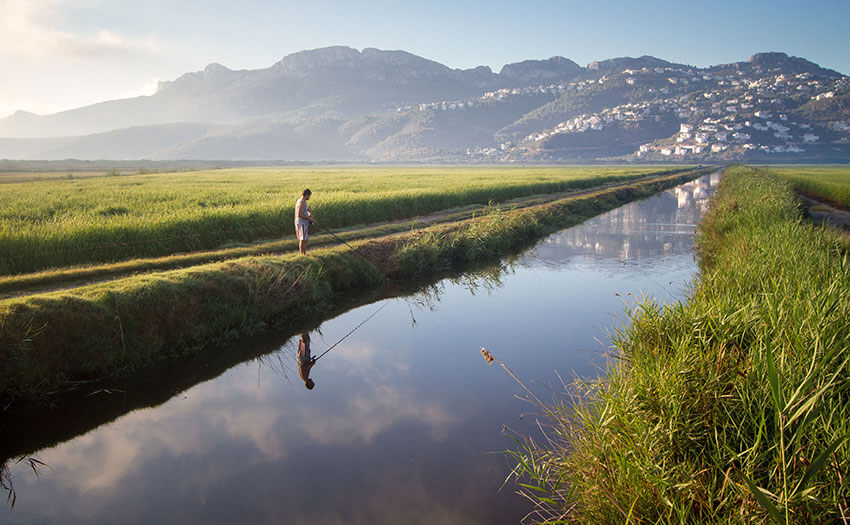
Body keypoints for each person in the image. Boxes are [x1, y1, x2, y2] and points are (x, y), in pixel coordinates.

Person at [294, 189, 314, 255]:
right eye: (309, 196)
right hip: (301, 223)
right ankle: (302, 254)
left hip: (304, 223)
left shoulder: (303, 202)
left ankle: (303, 253)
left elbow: (307, 209)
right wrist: (309, 218)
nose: (309, 197)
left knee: (305, 239)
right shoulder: (301, 202)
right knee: (303, 239)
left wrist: (310, 214)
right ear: (307, 195)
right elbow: (300, 214)